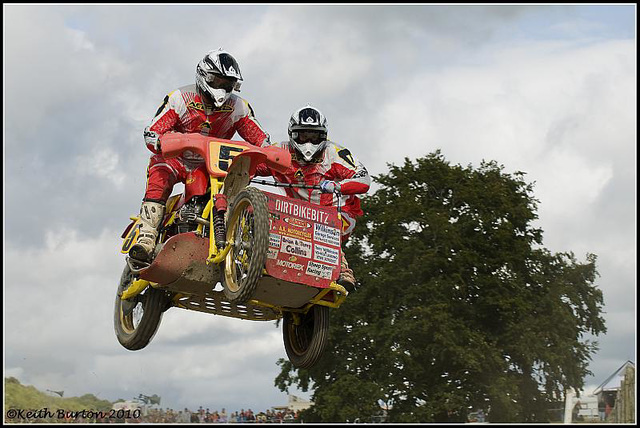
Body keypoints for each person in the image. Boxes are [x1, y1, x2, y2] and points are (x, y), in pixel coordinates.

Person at [129, 48, 271, 262]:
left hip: (212, 165)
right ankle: (146, 237)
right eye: (217, 80)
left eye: (227, 83)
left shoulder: (238, 107)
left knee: (240, 179)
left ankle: (242, 239)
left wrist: (270, 154)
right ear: (203, 76)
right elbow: (153, 131)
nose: (221, 87)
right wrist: (159, 141)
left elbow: (262, 140)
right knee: (161, 174)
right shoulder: (180, 98)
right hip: (175, 158)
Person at [254, 105, 371, 292]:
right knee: (271, 217)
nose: (308, 141)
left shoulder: (335, 154)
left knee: (325, 226)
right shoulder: (279, 151)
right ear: (293, 134)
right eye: (303, 135)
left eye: (313, 136)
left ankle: (342, 270)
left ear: (323, 136)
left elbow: (364, 179)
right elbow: (253, 163)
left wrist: (339, 186)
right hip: (299, 214)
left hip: (340, 212)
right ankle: (261, 260)